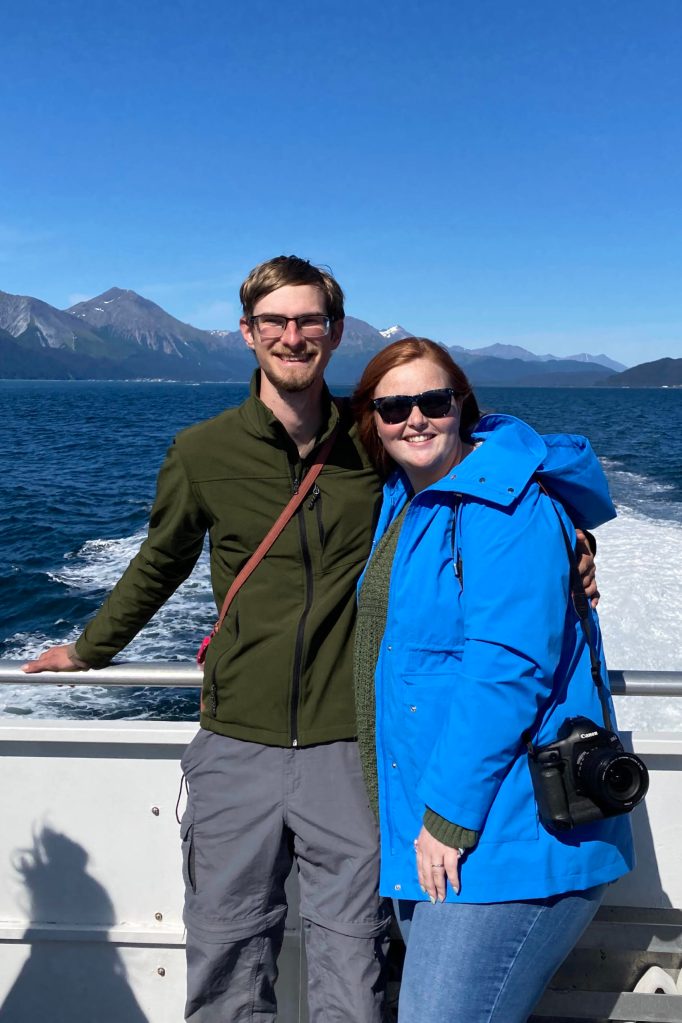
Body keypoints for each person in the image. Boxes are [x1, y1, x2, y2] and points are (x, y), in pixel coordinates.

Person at [22, 258, 599, 1022]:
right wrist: (88, 650)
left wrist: (570, 532)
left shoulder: (374, 439)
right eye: (275, 322)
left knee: (353, 959)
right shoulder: (203, 451)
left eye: (310, 322)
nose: (292, 337)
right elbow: (158, 563)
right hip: (236, 741)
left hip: (349, 749)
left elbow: (476, 465)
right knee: (227, 953)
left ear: (334, 331)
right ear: (247, 332)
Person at [351, 338, 635, 1023]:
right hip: (446, 834)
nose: (413, 418)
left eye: (433, 400)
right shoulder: (409, 502)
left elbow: (506, 669)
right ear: (373, 420)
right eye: (393, 406)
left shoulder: (501, 506)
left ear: (463, 408)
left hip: (502, 832)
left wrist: (447, 818)